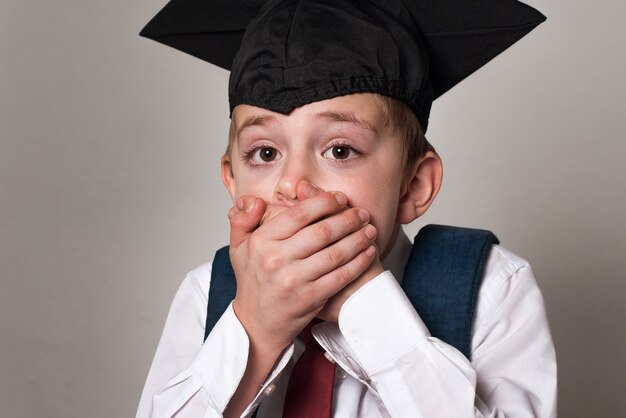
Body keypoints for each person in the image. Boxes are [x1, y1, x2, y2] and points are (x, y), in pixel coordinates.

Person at [137, 0, 557, 417]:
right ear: (231, 180)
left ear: (413, 186)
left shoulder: (492, 286)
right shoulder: (208, 291)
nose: (292, 184)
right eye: (265, 153)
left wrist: (368, 308)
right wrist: (255, 330)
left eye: (340, 149)